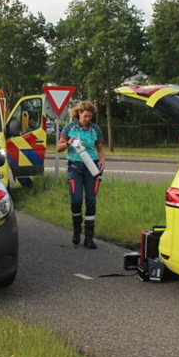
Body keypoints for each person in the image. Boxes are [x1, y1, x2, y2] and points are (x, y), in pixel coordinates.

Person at [55, 100, 106, 249]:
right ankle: (77, 230)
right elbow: (58, 148)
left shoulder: (95, 129)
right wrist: (68, 143)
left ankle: (89, 237)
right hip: (75, 168)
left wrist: (102, 162)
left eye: (90, 116)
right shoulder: (69, 128)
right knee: (76, 200)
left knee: (91, 201)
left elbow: (100, 149)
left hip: (91, 168)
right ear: (79, 114)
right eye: (85, 116)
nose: (87, 119)